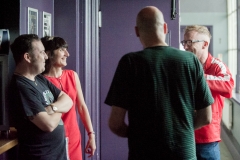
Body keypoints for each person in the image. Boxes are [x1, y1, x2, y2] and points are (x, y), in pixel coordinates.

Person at [105, 6, 214, 160]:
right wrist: (181, 132)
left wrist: (141, 136)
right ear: (165, 28)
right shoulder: (190, 61)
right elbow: (206, 117)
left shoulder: (130, 62)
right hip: (184, 153)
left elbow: (115, 124)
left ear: (136, 31)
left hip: (143, 153)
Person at [8, 34, 73, 160]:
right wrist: (59, 107)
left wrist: (51, 108)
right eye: (42, 52)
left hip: (58, 154)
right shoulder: (21, 86)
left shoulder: (39, 78)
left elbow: (68, 100)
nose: (46, 56)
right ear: (27, 57)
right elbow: (48, 125)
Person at [182, 25, 234, 160]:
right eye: (184, 42)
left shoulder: (217, 66)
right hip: (185, 133)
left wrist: (201, 78)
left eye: (190, 42)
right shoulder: (184, 65)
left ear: (205, 44)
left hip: (207, 138)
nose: (185, 47)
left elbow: (229, 85)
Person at [41, 36, 96, 159]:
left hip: (74, 137)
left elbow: (81, 107)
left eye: (66, 49)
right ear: (49, 54)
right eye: (62, 50)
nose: (67, 54)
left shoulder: (72, 75)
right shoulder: (41, 81)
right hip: (54, 139)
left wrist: (91, 135)